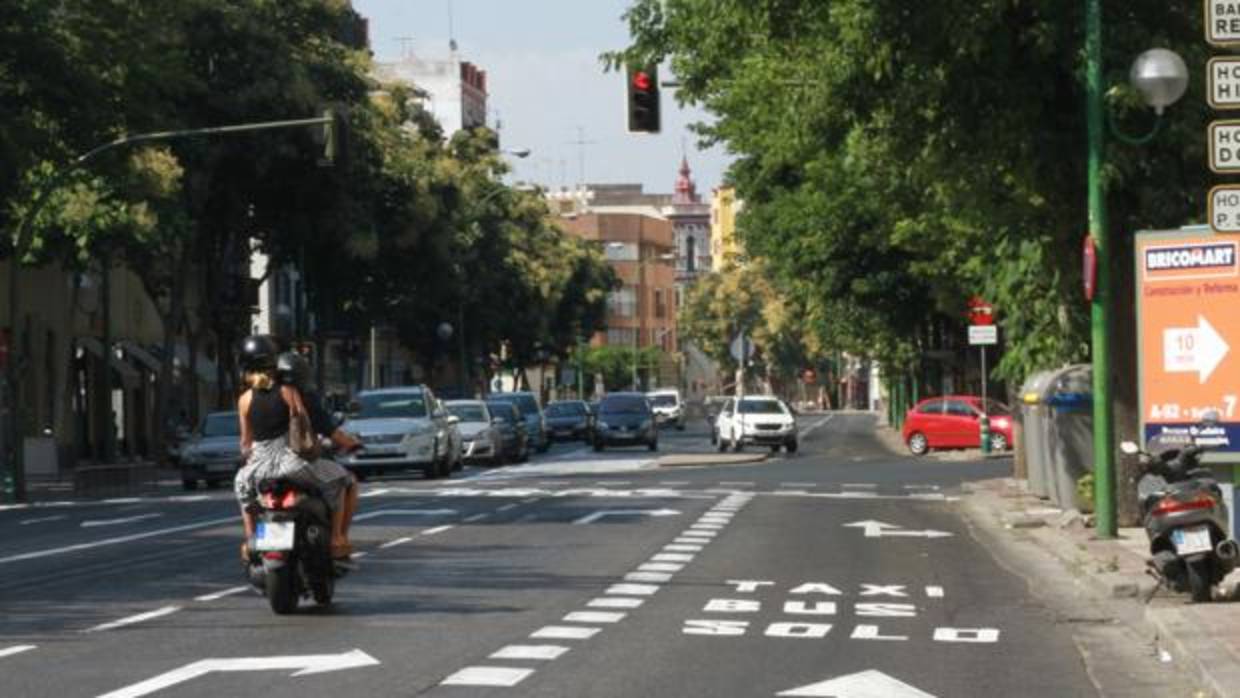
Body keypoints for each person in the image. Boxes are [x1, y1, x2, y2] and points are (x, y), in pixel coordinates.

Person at [233, 335, 358, 563]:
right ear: (273, 363)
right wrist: (315, 446)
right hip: (292, 464)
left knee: (244, 494)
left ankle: (250, 539)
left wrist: (248, 462)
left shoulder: (243, 400)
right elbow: (303, 427)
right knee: (343, 481)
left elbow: (245, 443)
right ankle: (337, 539)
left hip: (258, 469)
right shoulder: (288, 391)